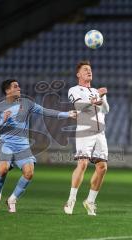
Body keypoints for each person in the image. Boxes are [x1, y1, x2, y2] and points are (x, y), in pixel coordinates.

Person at [0, 79, 77, 213]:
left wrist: (67, 114)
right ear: (7, 90)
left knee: (29, 173)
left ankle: (12, 199)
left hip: (22, 145)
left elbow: (45, 111)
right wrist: (2, 121)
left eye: (18, 85)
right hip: (7, 143)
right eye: (15, 86)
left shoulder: (26, 103)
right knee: (3, 169)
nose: (19, 88)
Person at [64, 60, 109, 216]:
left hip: (100, 132)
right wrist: (94, 100)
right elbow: (79, 107)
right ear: (79, 74)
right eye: (85, 69)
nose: (89, 71)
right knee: (82, 163)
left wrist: (101, 98)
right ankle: (71, 200)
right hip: (85, 130)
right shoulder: (74, 90)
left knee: (102, 168)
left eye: (90, 69)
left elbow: (106, 110)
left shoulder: (97, 90)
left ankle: (90, 201)